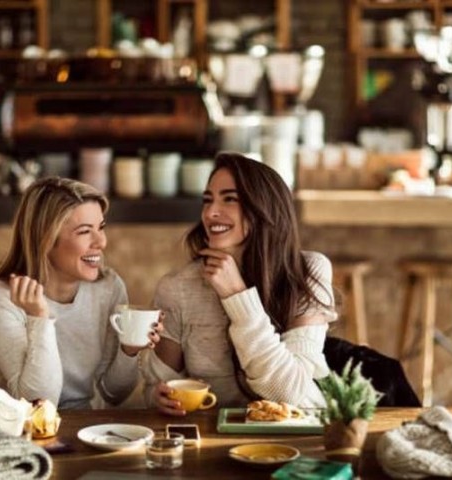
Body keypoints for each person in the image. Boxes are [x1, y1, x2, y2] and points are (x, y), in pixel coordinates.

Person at [142, 152, 337, 415]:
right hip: (210, 437)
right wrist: (158, 397)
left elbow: (293, 395)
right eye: (207, 200)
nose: (211, 213)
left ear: (263, 209)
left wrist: (237, 296)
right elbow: (157, 386)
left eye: (230, 199)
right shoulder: (178, 287)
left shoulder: (306, 272)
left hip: (290, 438)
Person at [0, 176, 161, 409]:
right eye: (85, 231)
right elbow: (38, 403)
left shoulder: (108, 288)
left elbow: (114, 394)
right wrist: (40, 318)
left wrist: (129, 350)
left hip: (85, 431)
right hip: (24, 433)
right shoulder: (1, 297)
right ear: (45, 239)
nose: (101, 242)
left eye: (101, 227)